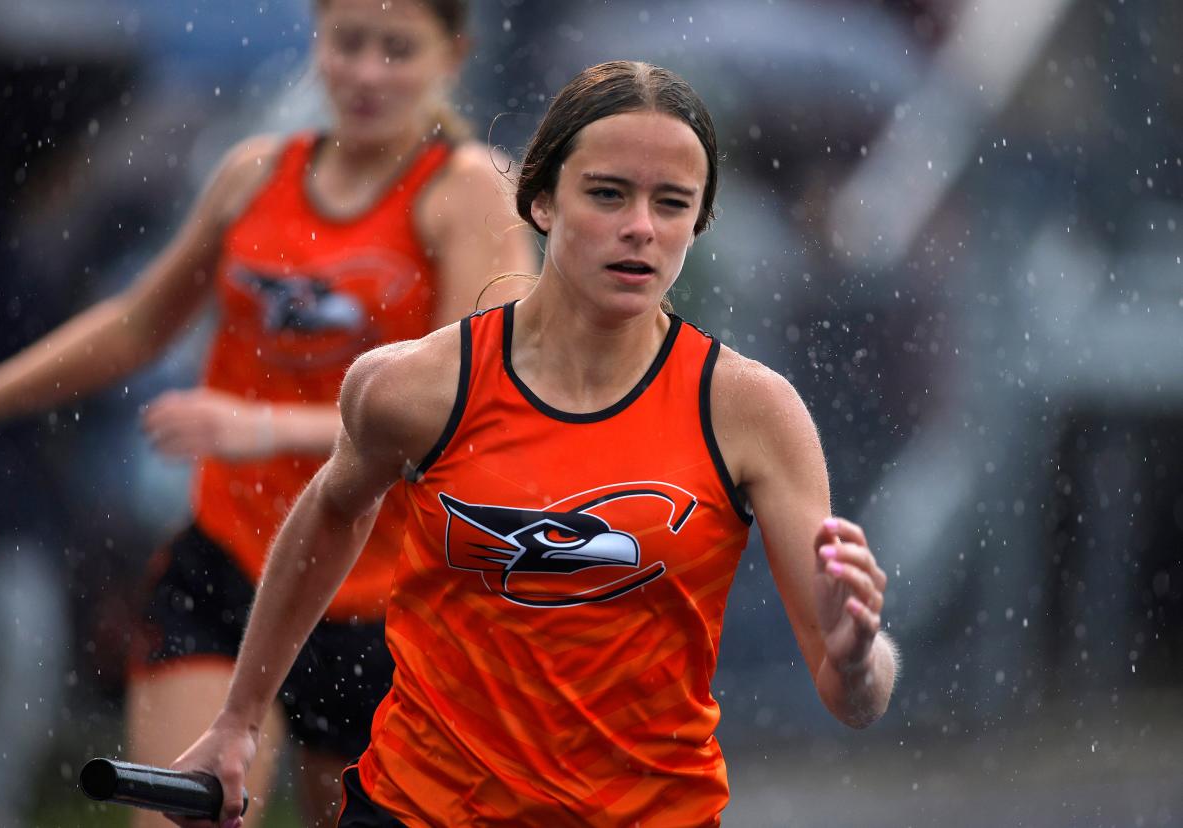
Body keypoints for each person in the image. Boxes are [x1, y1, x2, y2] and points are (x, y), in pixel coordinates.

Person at [167, 59, 899, 828]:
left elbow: (851, 697)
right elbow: (330, 515)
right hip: (418, 810)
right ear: (542, 201)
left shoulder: (749, 410)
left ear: (698, 221)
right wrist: (240, 721)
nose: (640, 227)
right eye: (608, 193)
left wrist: (856, 657)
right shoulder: (418, 386)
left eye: (672, 202)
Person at [0, 0, 535, 825]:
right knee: (185, 813)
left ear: (453, 57)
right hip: (231, 562)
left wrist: (263, 428)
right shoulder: (255, 172)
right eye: (349, 44)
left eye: (397, 50)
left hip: (383, 593)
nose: (366, 72)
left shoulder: (468, 189)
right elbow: (137, 323)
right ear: (317, 42)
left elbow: (461, 398)